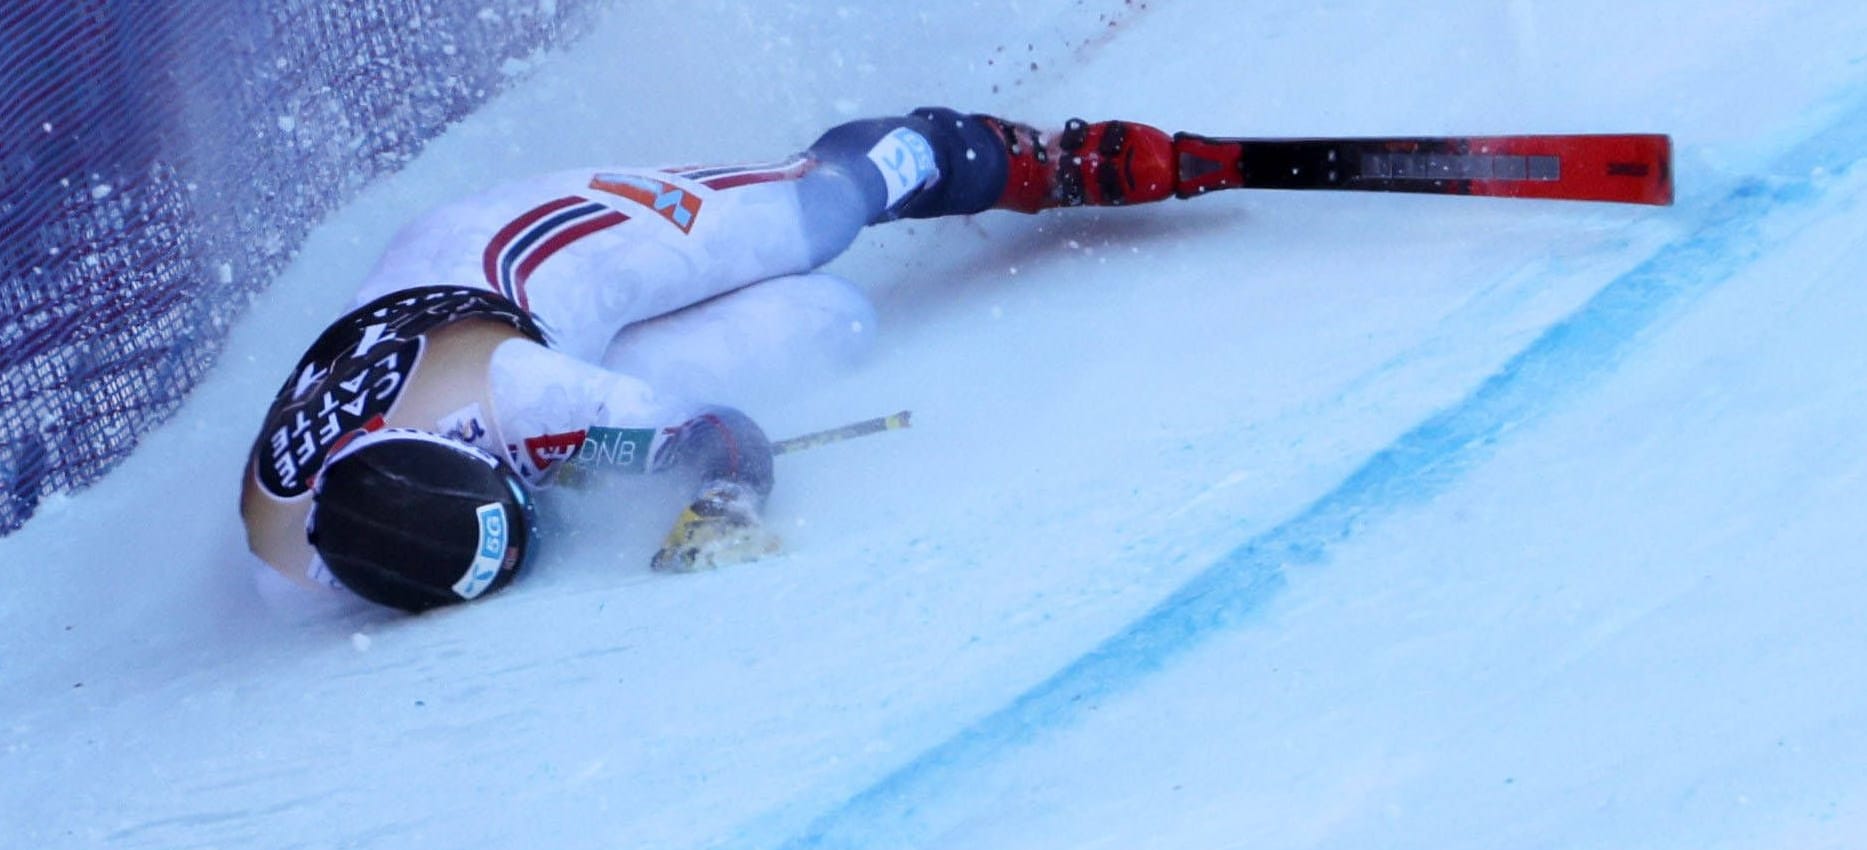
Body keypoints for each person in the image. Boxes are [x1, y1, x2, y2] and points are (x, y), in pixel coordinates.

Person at [239, 108, 1185, 612]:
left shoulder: (517, 394)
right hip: (507, 336)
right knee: (832, 325)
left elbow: (717, 438)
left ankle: (999, 154)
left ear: (487, 452)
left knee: (813, 217)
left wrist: (719, 503)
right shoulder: (291, 565)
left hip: (520, 253)